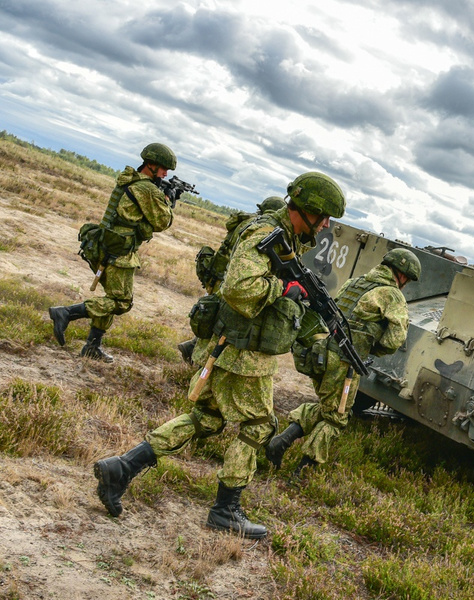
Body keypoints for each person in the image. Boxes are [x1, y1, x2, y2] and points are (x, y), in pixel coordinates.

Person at [92, 172, 345, 539]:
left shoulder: (285, 238)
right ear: (309, 209)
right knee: (259, 426)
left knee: (207, 419)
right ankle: (226, 510)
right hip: (244, 352)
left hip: (234, 347)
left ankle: (122, 468)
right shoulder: (265, 233)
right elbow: (239, 288)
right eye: (323, 218)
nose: (324, 226)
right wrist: (284, 288)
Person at [265, 247, 420, 477]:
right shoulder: (391, 294)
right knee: (336, 418)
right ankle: (302, 473)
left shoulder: (356, 283)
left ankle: (281, 442)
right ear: (402, 275)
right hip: (345, 361)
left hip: (322, 352)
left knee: (329, 407)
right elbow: (394, 339)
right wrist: (373, 346)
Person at [49, 143, 178, 362]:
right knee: (121, 302)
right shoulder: (145, 189)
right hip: (120, 251)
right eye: (164, 168)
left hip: (107, 245)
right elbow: (162, 222)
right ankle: (67, 313)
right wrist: (169, 202)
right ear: (151, 164)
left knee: (111, 298)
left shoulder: (130, 180)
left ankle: (92, 346)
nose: (166, 173)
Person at [177, 195, 287, 364]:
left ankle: (193, 351)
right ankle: (197, 357)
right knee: (220, 323)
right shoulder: (261, 229)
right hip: (229, 279)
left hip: (221, 274)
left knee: (215, 319)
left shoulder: (247, 222)